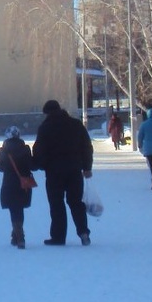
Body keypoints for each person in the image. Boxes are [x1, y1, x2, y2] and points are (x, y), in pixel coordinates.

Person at [31, 99, 94, 246]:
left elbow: (39, 150)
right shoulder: (76, 124)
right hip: (74, 170)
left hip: (54, 173)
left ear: (47, 113)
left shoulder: (45, 128)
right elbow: (86, 147)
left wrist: (37, 164)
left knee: (56, 204)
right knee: (76, 202)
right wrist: (87, 167)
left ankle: (58, 237)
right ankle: (83, 232)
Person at [0, 125, 35, 249]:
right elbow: (31, 165)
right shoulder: (26, 149)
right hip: (24, 183)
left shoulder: (3, 151)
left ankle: (19, 236)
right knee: (20, 208)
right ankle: (16, 235)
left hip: (9, 182)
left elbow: (0, 168)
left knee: (13, 209)